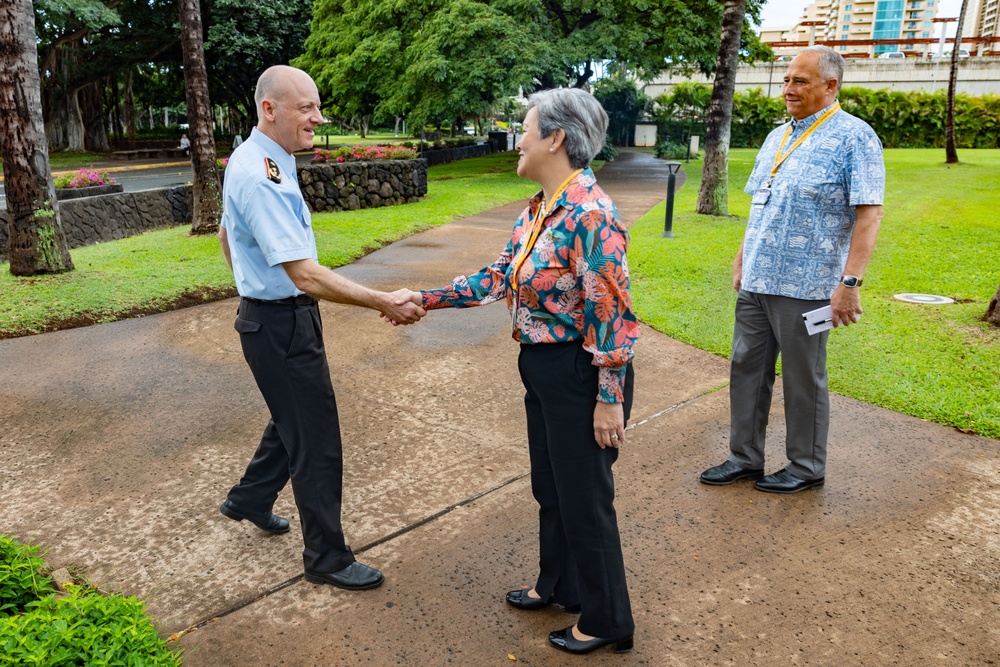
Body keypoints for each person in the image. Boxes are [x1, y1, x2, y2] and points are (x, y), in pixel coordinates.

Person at [411, 88, 639, 655]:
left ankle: (609, 620)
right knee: (552, 487)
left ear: (556, 138)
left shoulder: (591, 215)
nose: (518, 136)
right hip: (540, 367)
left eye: (526, 126)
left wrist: (608, 396)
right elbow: (497, 277)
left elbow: (611, 310)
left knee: (585, 496)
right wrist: (423, 297)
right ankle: (559, 585)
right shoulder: (540, 209)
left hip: (581, 373)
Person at [217, 65, 425, 591]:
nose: (318, 116)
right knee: (316, 441)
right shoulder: (260, 174)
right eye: (306, 107)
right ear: (270, 109)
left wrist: (249, 288)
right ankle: (327, 559)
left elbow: (226, 235)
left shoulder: (263, 160)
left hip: (275, 318)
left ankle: (249, 498)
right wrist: (382, 299)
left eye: (316, 105)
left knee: (292, 421)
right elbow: (305, 273)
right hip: (281, 322)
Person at [700, 45, 884, 494]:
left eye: (799, 81)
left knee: (804, 379)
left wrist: (849, 284)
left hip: (808, 286)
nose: (788, 89)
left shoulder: (855, 137)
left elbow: (869, 215)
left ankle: (806, 466)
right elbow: (761, 205)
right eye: (786, 80)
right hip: (758, 280)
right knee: (745, 370)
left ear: (830, 85)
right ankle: (744, 458)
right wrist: (744, 255)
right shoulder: (776, 136)